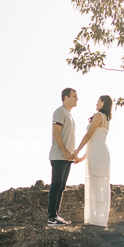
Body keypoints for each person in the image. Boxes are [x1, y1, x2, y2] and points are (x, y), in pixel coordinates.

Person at [75, 95, 112, 227]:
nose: (96, 103)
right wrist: (83, 157)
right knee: (98, 184)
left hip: (97, 152)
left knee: (96, 183)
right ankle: (98, 218)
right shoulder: (107, 118)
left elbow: (89, 135)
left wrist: (76, 151)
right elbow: (95, 140)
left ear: (103, 103)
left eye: (98, 101)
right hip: (100, 151)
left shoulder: (99, 116)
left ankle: (96, 219)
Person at [47, 88, 79, 227]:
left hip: (67, 158)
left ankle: (56, 216)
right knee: (56, 185)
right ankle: (52, 217)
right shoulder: (60, 112)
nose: (77, 99)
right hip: (59, 156)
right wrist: (65, 152)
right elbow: (56, 133)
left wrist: (72, 155)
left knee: (61, 187)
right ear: (66, 98)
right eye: (74, 96)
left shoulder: (69, 115)